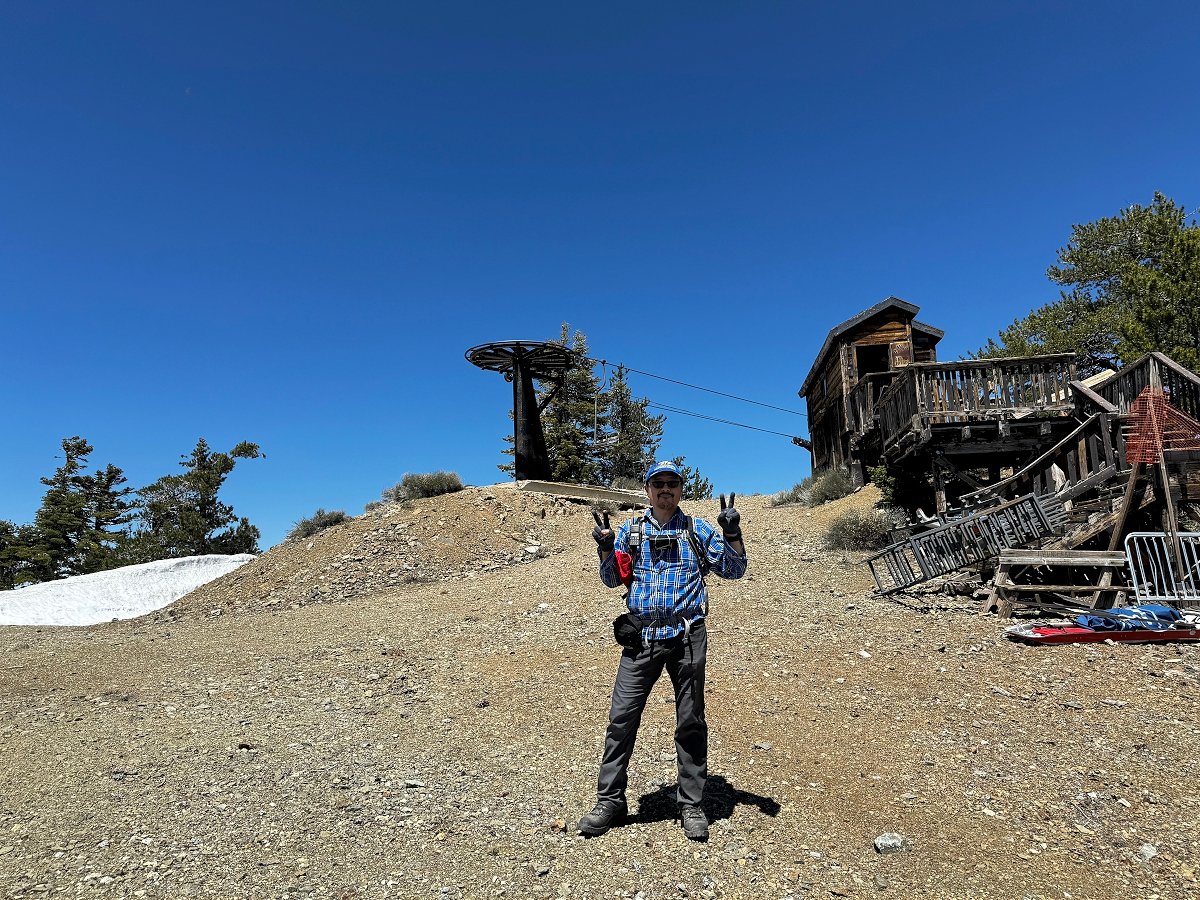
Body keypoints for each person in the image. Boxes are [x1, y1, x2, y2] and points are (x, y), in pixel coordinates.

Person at [578, 460, 747, 841]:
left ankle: (691, 804)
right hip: (642, 638)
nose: (665, 489)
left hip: (687, 637)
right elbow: (611, 579)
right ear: (648, 490)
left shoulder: (697, 530)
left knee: (690, 721)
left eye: (672, 483)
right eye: (659, 483)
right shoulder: (631, 531)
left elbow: (735, 570)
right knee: (621, 718)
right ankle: (610, 801)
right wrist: (605, 548)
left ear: (681, 489)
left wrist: (732, 532)